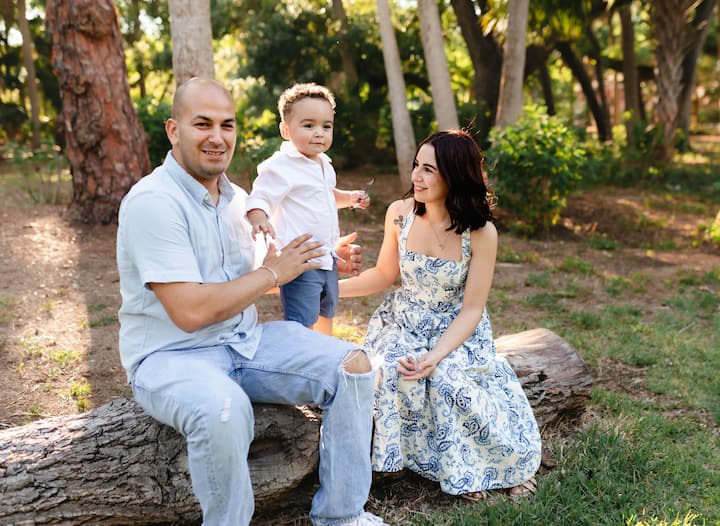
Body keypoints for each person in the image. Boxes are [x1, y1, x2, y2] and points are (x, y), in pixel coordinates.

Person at [116, 77, 388, 526]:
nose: (217, 137)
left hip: (245, 343)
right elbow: (190, 311)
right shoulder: (153, 202)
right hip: (171, 356)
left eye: (227, 125)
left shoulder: (238, 202)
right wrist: (274, 273)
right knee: (225, 410)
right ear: (173, 130)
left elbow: (263, 275)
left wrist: (316, 261)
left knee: (354, 366)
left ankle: (342, 515)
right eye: (202, 124)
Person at [339, 130, 542, 502]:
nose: (416, 176)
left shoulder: (481, 232)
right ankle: (441, 464)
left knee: (449, 380)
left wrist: (435, 356)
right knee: (394, 372)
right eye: (416, 165)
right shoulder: (400, 214)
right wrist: (328, 289)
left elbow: (472, 308)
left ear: (454, 175)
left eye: (428, 169)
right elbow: (383, 275)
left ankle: (497, 465)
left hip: (456, 327)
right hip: (403, 321)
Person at [246, 82, 370, 336]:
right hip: (300, 260)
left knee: (327, 309)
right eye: (308, 125)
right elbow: (260, 196)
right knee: (303, 317)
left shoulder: (324, 163)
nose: (319, 133)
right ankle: (302, 352)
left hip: (327, 256)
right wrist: (259, 217)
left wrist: (350, 198)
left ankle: (325, 349)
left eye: (326, 126)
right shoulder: (282, 165)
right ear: (286, 130)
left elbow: (326, 195)